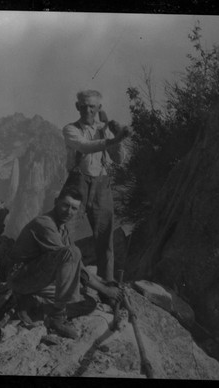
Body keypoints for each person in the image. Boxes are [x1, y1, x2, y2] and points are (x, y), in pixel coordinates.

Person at [7, 186, 123, 339]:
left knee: (88, 303)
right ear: (56, 202)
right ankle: (57, 318)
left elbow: (78, 265)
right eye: (65, 205)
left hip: (40, 280)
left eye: (74, 208)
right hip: (21, 277)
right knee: (72, 252)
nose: (69, 211)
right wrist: (105, 290)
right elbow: (70, 259)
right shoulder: (44, 223)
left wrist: (104, 283)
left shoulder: (63, 229)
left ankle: (32, 308)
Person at [62, 89, 132, 284]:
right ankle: (65, 284)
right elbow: (84, 146)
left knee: (105, 239)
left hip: (102, 185)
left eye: (92, 107)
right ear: (77, 107)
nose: (87, 110)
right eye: (83, 106)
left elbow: (119, 160)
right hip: (77, 185)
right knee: (64, 234)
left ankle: (107, 285)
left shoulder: (105, 128)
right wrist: (115, 138)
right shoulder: (70, 129)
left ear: (99, 108)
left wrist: (116, 135)